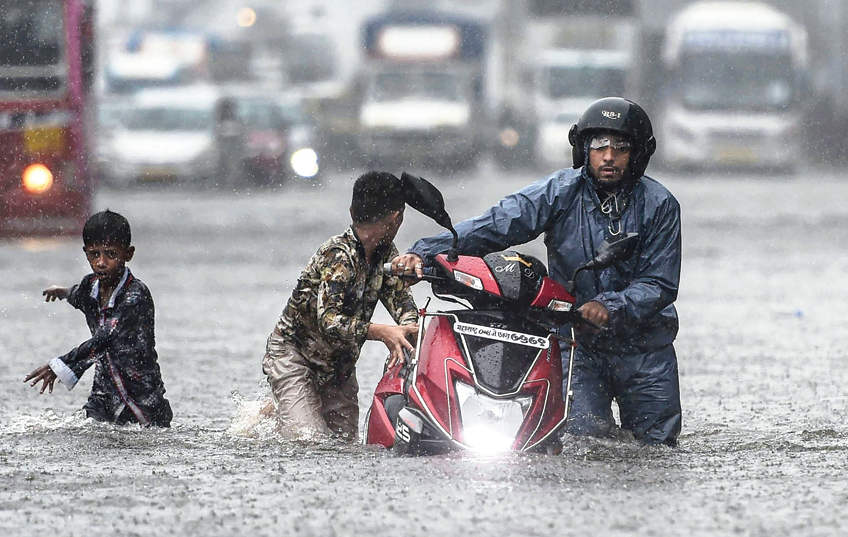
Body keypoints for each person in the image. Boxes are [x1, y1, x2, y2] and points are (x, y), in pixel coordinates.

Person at [393, 98, 682, 446]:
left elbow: (660, 283)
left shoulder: (661, 204)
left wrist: (611, 306)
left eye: (620, 148)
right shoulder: (559, 192)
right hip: (577, 344)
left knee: (657, 451)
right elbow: (499, 223)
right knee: (582, 444)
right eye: (599, 146)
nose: (608, 156)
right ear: (583, 150)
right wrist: (424, 253)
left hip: (647, 350)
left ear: (637, 154)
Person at [263, 171, 419, 441]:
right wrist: (383, 332)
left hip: (339, 368)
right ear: (398, 218)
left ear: (352, 210)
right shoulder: (338, 256)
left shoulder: (386, 254)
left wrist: (411, 328)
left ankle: (286, 409)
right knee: (309, 441)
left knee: (343, 446)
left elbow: (402, 302)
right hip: (295, 355)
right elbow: (329, 320)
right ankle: (278, 407)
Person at [24, 210, 173, 427]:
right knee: (83, 435)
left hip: (142, 399)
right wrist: (63, 292)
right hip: (105, 395)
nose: (101, 263)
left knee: (147, 442)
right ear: (86, 254)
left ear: (128, 254)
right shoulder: (90, 285)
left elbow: (105, 338)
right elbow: (77, 294)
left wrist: (60, 365)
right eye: (94, 254)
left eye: (111, 254)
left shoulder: (136, 295)